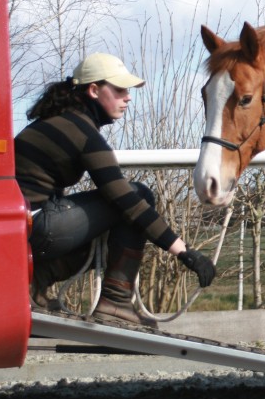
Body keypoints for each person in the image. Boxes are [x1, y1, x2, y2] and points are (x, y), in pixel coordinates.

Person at [16, 52, 216, 326]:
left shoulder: (59, 122)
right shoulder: (82, 133)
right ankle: (116, 303)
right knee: (139, 196)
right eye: (120, 89)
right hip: (34, 227)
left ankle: (36, 281)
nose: (128, 97)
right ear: (94, 90)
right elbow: (128, 202)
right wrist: (185, 252)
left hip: (21, 228)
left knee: (114, 221)